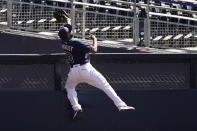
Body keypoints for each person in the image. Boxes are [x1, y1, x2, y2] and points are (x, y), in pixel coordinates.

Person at [58, 17, 135, 120]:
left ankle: (76, 107)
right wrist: (95, 40)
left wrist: (68, 21)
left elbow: (67, 29)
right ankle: (121, 105)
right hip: (85, 69)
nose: (71, 31)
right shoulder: (76, 42)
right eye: (69, 31)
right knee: (105, 85)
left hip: (73, 72)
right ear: (68, 34)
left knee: (69, 88)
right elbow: (94, 50)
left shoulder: (63, 43)